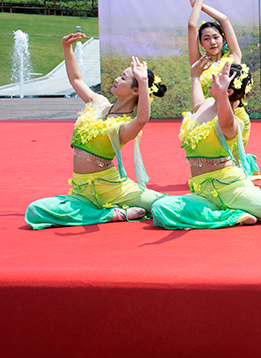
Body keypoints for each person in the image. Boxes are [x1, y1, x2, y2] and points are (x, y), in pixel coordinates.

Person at [25, 34, 167, 229]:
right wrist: (67, 48)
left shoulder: (125, 125)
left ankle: (111, 211)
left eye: (123, 78)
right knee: (35, 210)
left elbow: (142, 118)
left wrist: (143, 82)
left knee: (165, 206)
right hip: (81, 191)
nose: (116, 79)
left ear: (135, 90)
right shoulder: (100, 104)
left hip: (115, 190)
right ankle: (114, 214)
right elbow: (76, 80)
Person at [151, 60, 261, 229]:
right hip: (202, 192)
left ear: (228, 91)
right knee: (161, 208)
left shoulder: (231, 121)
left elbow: (226, 123)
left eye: (219, 78)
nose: (212, 79)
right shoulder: (205, 104)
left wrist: (222, 96)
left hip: (232, 189)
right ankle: (234, 215)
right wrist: (195, 76)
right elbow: (197, 104)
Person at [187, 0, 252, 151]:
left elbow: (224, 20)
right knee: (213, 158)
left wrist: (200, 4)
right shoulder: (199, 64)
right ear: (201, 43)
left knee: (233, 160)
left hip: (236, 117)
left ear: (223, 39)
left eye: (216, 37)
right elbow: (192, 27)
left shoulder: (233, 58)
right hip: (208, 116)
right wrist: (198, 2)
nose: (212, 42)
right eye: (206, 39)